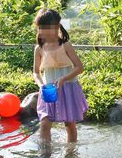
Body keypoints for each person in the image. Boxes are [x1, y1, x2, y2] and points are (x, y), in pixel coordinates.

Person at [33, 9, 88, 143]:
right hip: (49, 90)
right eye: (41, 27)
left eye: (46, 27)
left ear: (56, 27)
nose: (43, 31)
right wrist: (41, 85)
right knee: (45, 122)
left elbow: (79, 67)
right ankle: (46, 155)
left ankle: (71, 155)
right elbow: (36, 72)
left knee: (69, 123)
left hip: (68, 88)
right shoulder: (39, 49)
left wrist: (64, 79)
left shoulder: (65, 45)